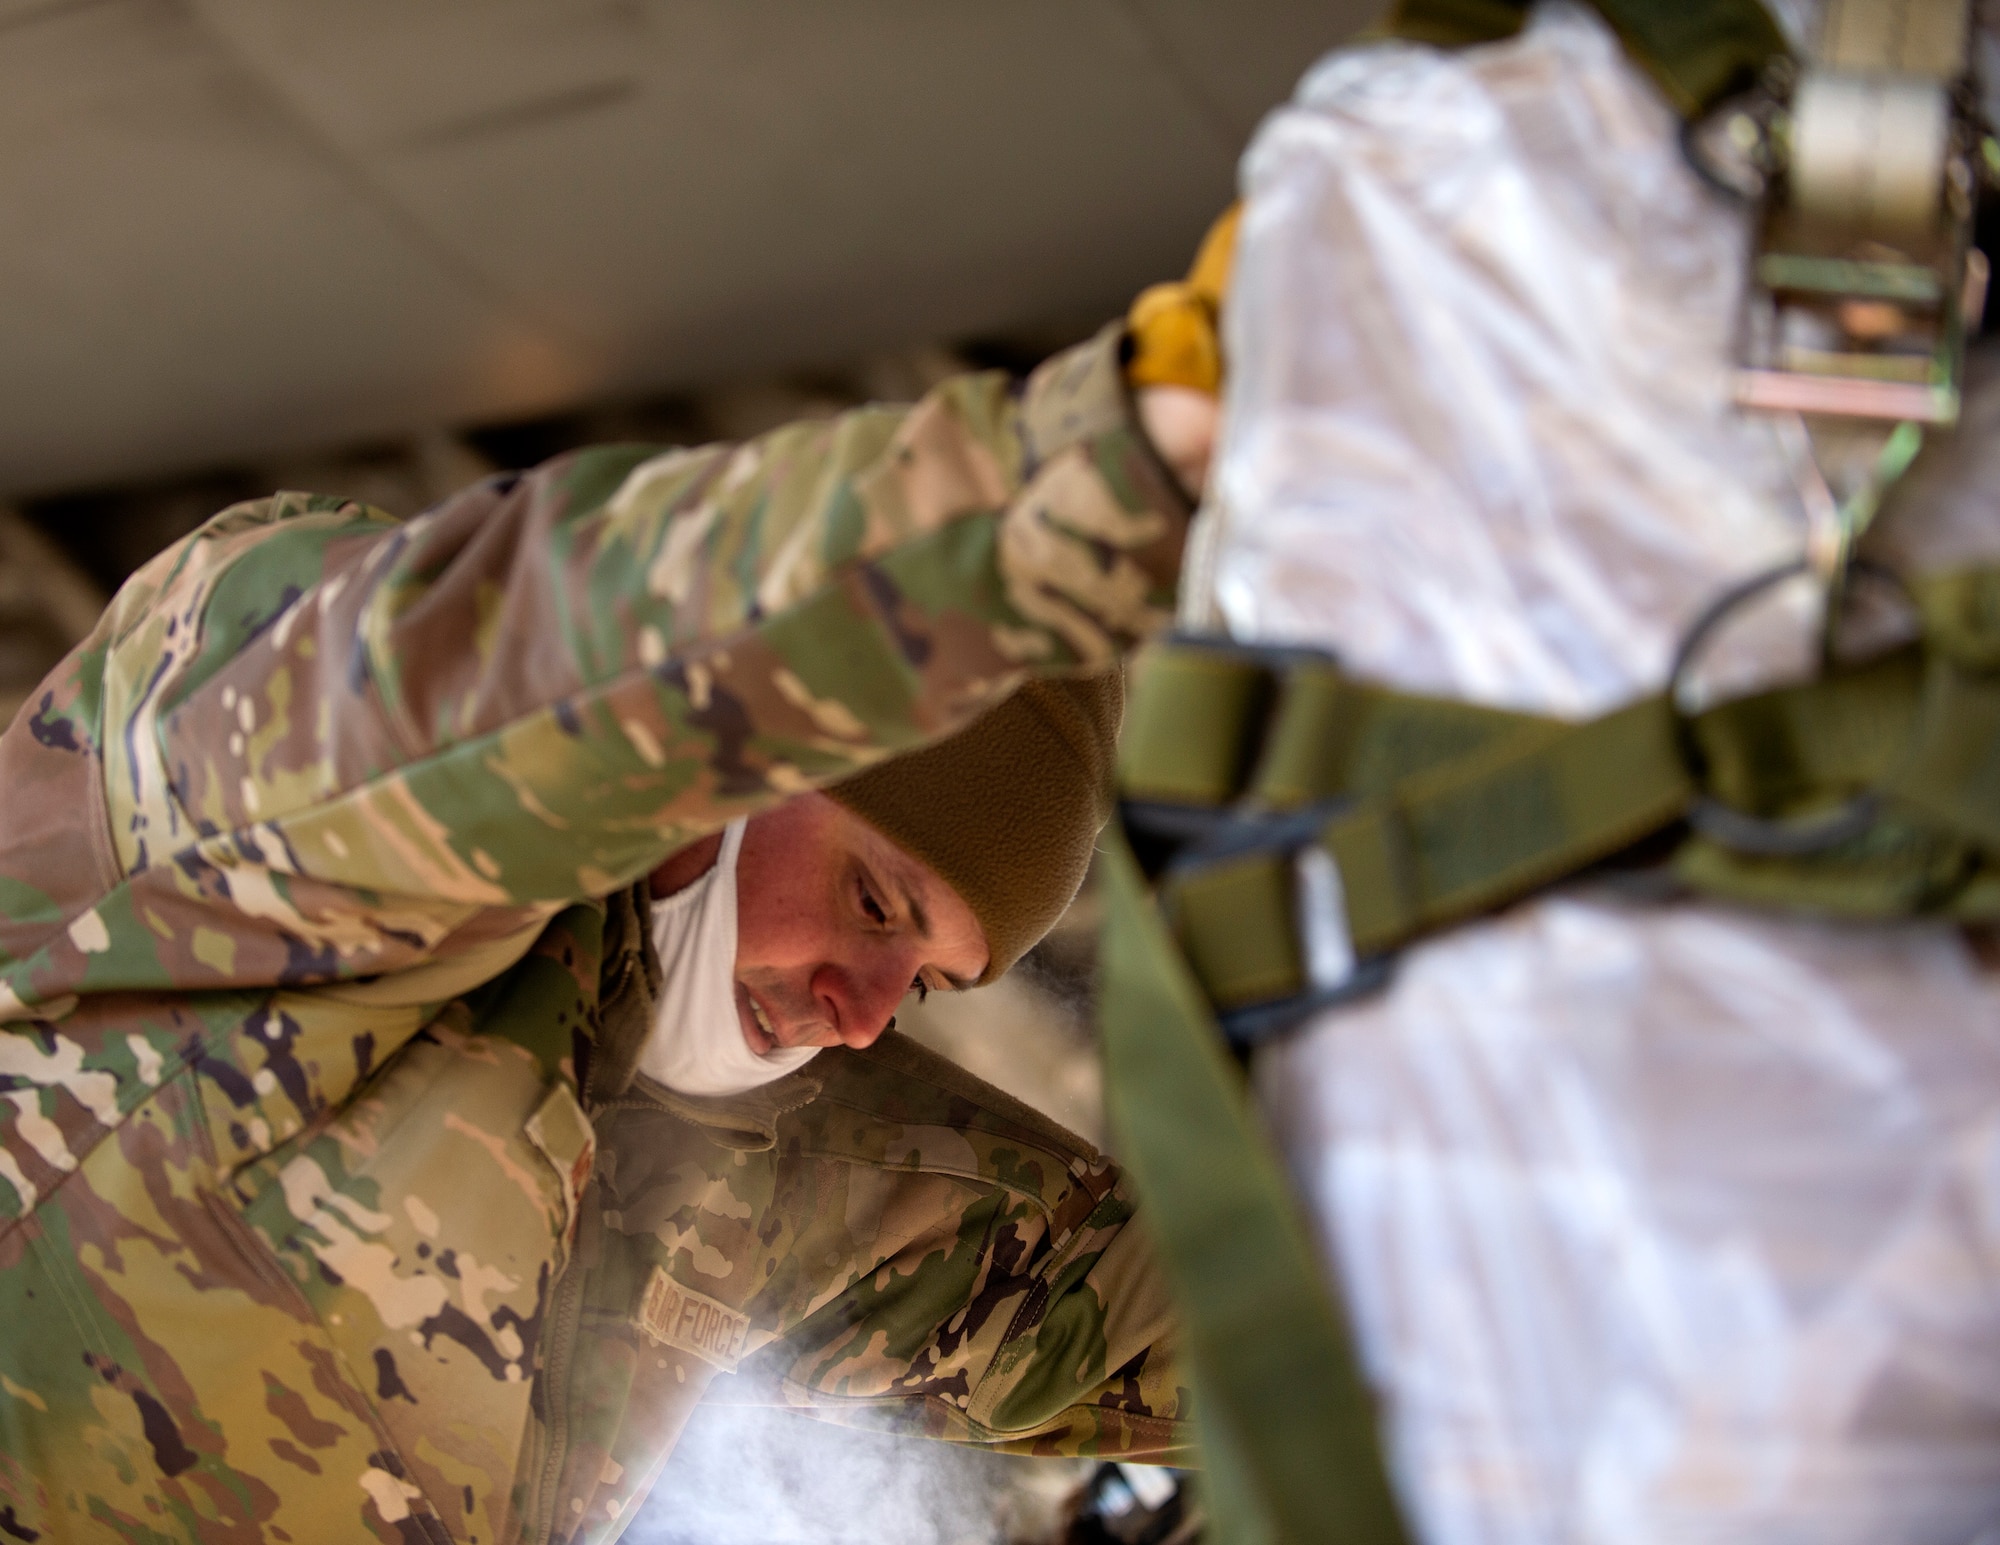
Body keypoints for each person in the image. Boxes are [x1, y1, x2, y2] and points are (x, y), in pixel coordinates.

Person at [0, 268, 1226, 1542]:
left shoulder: (730, 1157)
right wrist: (1097, 474)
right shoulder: (267, 798)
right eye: (872, 903)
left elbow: (1184, 1326)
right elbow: (535, 660)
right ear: (744, 750)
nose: (861, 1018)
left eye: (918, 981)